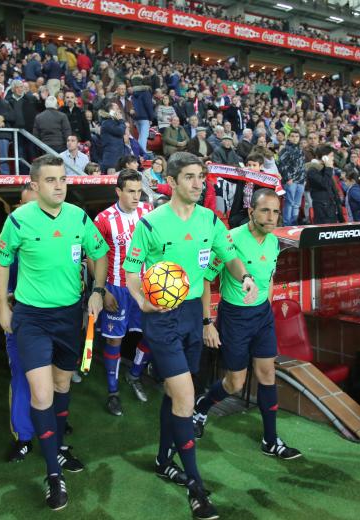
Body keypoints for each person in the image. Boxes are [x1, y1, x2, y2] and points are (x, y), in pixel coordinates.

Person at [122, 152, 258, 519]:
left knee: (175, 396)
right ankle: (196, 490)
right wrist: (142, 303)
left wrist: (244, 276)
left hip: (191, 317)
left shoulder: (211, 221)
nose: (199, 184)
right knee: (185, 398)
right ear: (172, 181)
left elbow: (229, 256)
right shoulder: (150, 224)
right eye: (191, 177)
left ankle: (163, 459)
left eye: (202, 177)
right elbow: (132, 272)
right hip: (162, 319)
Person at [0, 154, 109, 510]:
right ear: (35, 185)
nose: (59, 185)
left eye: (62, 179)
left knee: (61, 386)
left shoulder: (78, 217)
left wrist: (98, 290)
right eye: (51, 180)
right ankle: (53, 475)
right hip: (33, 319)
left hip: (69, 316)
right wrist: (4, 304)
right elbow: (0, 259)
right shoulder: (18, 220)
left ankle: (57, 446)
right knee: (41, 395)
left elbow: (99, 254)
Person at [196, 189, 302, 461]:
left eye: (276, 211)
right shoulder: (230, 240)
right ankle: (202, 406)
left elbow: (270, 278)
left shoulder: (274, 242)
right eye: (265, 210)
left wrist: (266, 305)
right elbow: (206, 280)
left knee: (267, 374)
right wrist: (208, 322)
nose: (272, 217)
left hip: (262, 317)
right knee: (235, 382)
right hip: (235, 319)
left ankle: (270, 439)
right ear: (251, 211)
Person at [93, 170, 154, 416]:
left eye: (139, 191)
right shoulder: (104, 218)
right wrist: (102, 290)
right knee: (114, 340)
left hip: (145, 285)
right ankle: (113, 391)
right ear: (118, 191)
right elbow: (93, 256)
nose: (136, 196)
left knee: (151, 335)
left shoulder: (149, 213)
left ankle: (135, 374)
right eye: (131, 191)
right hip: (116, 287)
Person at [5, 185, 38, 462]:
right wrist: (5, 300)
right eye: (24, 207)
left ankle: (53, 425)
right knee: (21, 377)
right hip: (21, 320)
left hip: (54, 319)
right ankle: (24, 437)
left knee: (55, 377)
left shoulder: (59, 233)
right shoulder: (9, 238)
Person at [306, 145, 342, 224]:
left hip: (331, 207)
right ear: (324, 157)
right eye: (331, 156)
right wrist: (329, 168)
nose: (333, 158)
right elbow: (325, 184)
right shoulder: (312, 170)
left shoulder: (325, 169)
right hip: (323, 210)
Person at [278, 130, 306, 226]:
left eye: (297, 136)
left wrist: (304, 179)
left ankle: (293, 224)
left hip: (301, 181)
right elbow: (282, 165)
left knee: (296, 205)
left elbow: (302, 166)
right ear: (289, 137)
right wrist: (288, 178)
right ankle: (286, 224)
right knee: (289, 203)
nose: (295, 138)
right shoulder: (285, 149)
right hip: (291, 181)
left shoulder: (301, 150)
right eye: (292, 136)